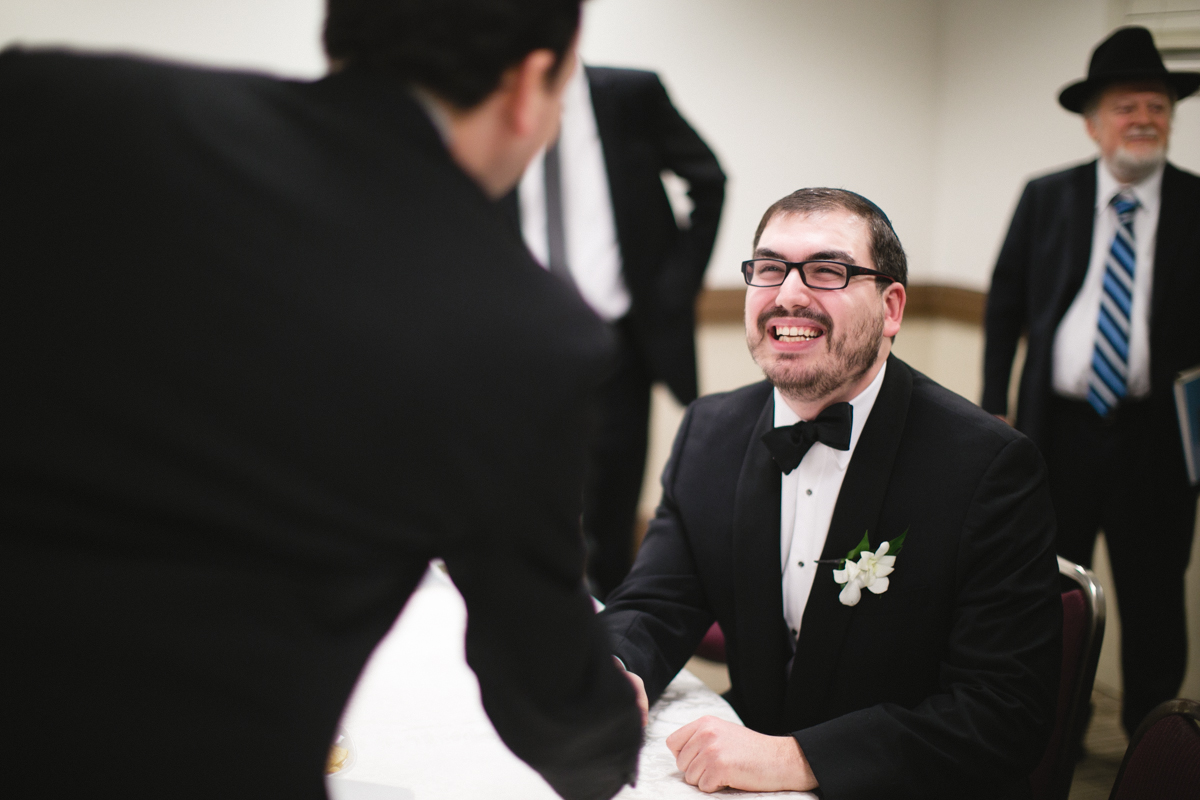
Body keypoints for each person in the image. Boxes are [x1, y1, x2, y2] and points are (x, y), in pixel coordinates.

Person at [0, 2, 643, 799]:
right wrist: (614, 745)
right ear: (530, 83)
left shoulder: (68, 103)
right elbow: (542, 680)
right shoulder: (531, 336)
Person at [599, 188, 1062, 799]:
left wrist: (799, 760)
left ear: (891, 307)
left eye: (827, 270)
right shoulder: (708, 432)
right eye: (769, 269)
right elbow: (656, 605)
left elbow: (1004, 714)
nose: (789, 294)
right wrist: (617, 670)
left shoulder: (987, 467)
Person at [982, 26, 1200, 736]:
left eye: (1157, 105)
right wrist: (994, 413)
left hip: (1158, 440)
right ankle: (1049, 740)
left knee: (1154, 603)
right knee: (1047, 594)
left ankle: (1151, 754)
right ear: (1093, 120)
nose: (1143, 118)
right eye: (1126, 105)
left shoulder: (1199, 205)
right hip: (1057, 433)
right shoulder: (1047, 197)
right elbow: (1004, 305)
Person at [507, 61, 725, 599]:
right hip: (519, 342)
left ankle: (611, 651)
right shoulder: (492, 97)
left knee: (610, 508)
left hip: (617, 342)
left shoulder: (629, 95)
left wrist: (670, 290)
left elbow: (708, 179)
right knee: (516, 494)